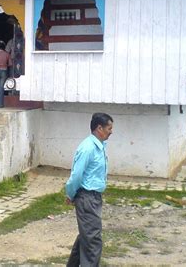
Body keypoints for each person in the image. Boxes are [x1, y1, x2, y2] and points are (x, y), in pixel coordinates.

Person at [65, 113, 114, 267]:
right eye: (109, 128)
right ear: (99, 128)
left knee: (86, 236)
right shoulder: (88, 148)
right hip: (87, 198)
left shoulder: (99, 146)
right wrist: (70, 194)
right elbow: (76, 175)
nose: (111, 131)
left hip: (94, 197)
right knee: (93, 242)